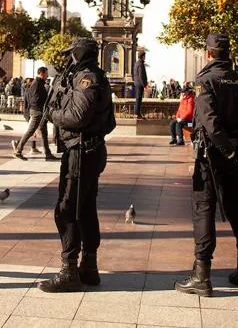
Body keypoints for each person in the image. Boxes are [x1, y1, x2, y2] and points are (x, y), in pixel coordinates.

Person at [175, 34, 238, 297]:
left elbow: (209, 121)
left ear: (208, 54)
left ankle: (202, 275)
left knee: (204, 210)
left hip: (212, 156)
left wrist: (226, 151)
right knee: (237, 210)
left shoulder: (206, 81)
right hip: (235, 157)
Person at [39, 37, 116, 292]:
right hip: (85, 150)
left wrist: (53, 115)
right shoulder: (93, 76)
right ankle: (89, 268)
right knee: (84, 209)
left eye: (73, 53)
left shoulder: (87, 78)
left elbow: (77, 116)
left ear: (81, 53)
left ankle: (70, 269)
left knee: (68, 210)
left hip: (82, 152)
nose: (70, 58)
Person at [12, 67, 57, 161]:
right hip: (37, 112)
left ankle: (48, 154)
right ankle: (18, 150)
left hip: (40, 111)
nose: (47, 76)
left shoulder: (39, 83)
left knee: (44, 133)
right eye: (46, 73)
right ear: (42, 73)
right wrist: (42, 106)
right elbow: (35, 99)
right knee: (30, 131)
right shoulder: (36, 83)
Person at [134, 51, 147, 120]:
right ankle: (137, 114)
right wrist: (144, 85)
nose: (145, 57)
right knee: (138, 99)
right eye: (144, 56)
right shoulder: (140, 64)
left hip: (137, 83)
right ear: (142, 56)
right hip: (139, 84)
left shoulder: (137, 63)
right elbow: (141, 75)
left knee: (138, 98)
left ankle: (137, 113)